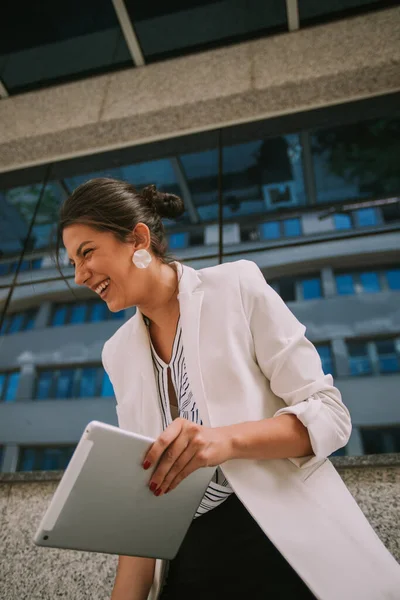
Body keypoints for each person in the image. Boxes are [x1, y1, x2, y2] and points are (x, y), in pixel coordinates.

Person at [59, 178, 400, 600]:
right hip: (188, 559)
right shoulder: (118, 353)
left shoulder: (235, 286)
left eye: (86, 253)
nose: (79, 275)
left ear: (138, 239)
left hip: (277, 542)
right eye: (73, 261)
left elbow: (329, 414)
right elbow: (142, 495)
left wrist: (225, 441)